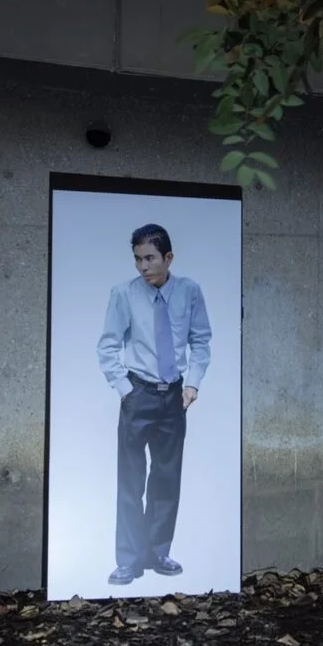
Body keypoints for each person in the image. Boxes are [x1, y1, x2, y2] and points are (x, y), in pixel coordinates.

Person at [96, 223, 212, 586]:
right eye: (138, 259)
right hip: (139, 394)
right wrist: (125, 390)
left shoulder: (190, 292)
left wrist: (192, 384)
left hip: (174, 398)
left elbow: (201, 340)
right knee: (130, 480)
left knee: (166, 477)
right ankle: (128, 560)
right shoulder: (124, 294)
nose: (143, 266)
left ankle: (158, 551)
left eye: (150, 258)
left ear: (168, 257)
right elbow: (108, 345)